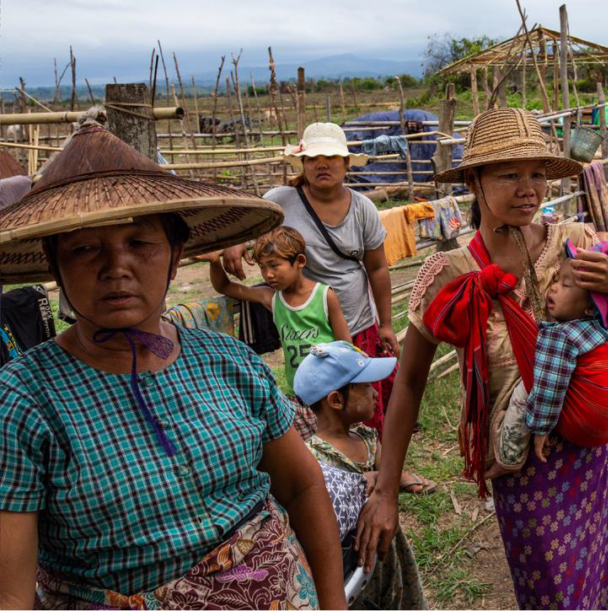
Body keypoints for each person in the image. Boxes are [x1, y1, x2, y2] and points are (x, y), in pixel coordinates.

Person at [0, 124, 345, 609]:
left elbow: (302, 485)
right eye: (84, 248)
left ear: (175, 254)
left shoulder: (227, 360)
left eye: (139, 243)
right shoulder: (23, 399)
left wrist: (334, 604)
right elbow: (10, 594)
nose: (115, 266)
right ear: (55, 267)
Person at [355, 108, 608, 610]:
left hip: (593, 451)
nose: (527, 188)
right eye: (509, 174)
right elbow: (411, 382)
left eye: (537, 173)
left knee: (600, 567)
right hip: (524, 467)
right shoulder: (453, 272)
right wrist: (386, 489)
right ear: (474, 180)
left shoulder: (574, 244)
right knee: (549, 589)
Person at [219, 123, 399, 440]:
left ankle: (377, 469)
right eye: (313, 158)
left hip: (356, 323)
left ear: (346, 164)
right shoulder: (281, 201)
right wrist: (234, 241)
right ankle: (329, 471)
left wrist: (385, 324)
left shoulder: (363, 209)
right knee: (322, 410)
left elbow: (378, 269)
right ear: (303, 164)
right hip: (312, 329)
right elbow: (245, 223)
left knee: (361, 405)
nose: (322, 164)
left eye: (331, 156)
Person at [490, 239, 608, 475]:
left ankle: (509, 456)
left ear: (590, 308)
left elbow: (549, 387)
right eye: (556, 280)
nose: (553, 288)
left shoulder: (561, 336)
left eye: (566, 285)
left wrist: (542, 429)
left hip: (582, 429)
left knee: (527, 386)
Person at [294, 341, 427, 609]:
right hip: (350, 566)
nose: (375, 392)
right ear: (336, 400)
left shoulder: (365, 436)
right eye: (365, 386)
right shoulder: (313, 459)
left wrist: (387, 478)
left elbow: (389, 474)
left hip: (385, 546)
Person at [196, 225, 352, 389]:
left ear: (299, 261)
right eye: (262, 267)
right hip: (299, 389)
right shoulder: (271, 298)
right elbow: (224, 286)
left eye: (274, 265)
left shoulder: (324, 296)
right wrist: (214, 262)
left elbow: (345, 345)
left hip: (332, 384)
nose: (268, 274)